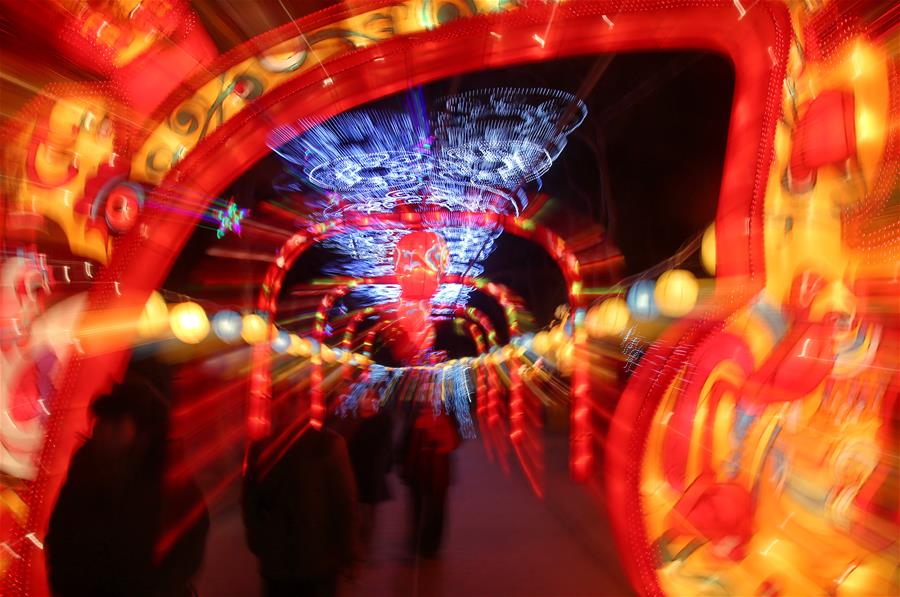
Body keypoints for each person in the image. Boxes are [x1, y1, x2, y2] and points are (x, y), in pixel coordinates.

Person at [45, 374, 209, 597]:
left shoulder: (168, 475)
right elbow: (60, 537)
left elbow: (188, 546)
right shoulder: (85, 470)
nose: (103, 431)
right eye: (101, 422)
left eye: (116, 424)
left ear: (142, 433)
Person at [242, 424, 359, 597]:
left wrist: (260, 543)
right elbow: (344, 503)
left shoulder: (261, 447)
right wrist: (349, 554)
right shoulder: (329, 445)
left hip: (282, 564)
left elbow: (249, 502)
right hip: (317, 562)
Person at [401, 403, 460, 558]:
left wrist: (439, 435)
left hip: (437, 470)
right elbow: (405, 439)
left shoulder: (448, 412)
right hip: (417, 469)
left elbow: (455, 439)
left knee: (436, 508)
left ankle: (432, 544)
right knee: (417, 507)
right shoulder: (414, 413)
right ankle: (418, 541)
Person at [346, 382, 394, 552]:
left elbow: (386, 445)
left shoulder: (383, 419)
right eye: (365, 396)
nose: (368, 399)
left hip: (372, 471)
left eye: (372, 396)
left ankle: (365, 543)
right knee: (356, 509)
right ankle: (356, 541)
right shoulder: (353, 418)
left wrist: (386, 465)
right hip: (355, 469)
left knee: (369, 511)